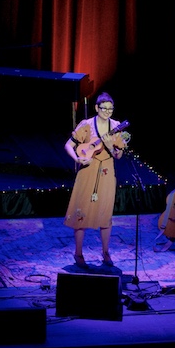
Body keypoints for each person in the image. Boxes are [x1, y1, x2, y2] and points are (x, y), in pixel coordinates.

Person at [64, 92, 127, 268]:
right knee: (81, 212)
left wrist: (109, 146)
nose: (108, 111)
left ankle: (106, 252)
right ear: (96, 108)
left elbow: (119, 155)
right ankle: (78, 254)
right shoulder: (86, 125)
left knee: (106, 214)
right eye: (104, 108)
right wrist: (77, 159)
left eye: (110, 108)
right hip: (87, 170)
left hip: (107, 171)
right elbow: (69, 145)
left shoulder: (116, 126)